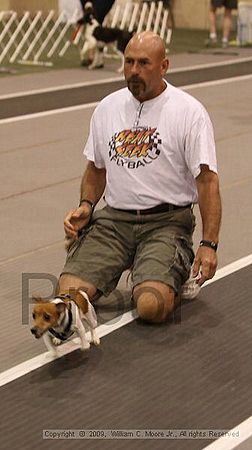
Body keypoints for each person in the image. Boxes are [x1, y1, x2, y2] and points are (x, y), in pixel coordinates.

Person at [58, 31, 222, 324]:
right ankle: (134, 262)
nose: (134, 70)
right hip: (114, 222)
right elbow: (96, 168)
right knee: (68, 295)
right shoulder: (107, 108)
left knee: (151, 306)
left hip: (167, 223)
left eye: (144, 63)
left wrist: (209, 245)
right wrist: (86, 205)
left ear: (164, 66)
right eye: (129, 62)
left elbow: (207, 182)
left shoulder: (189, 112)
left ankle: (168, 267)